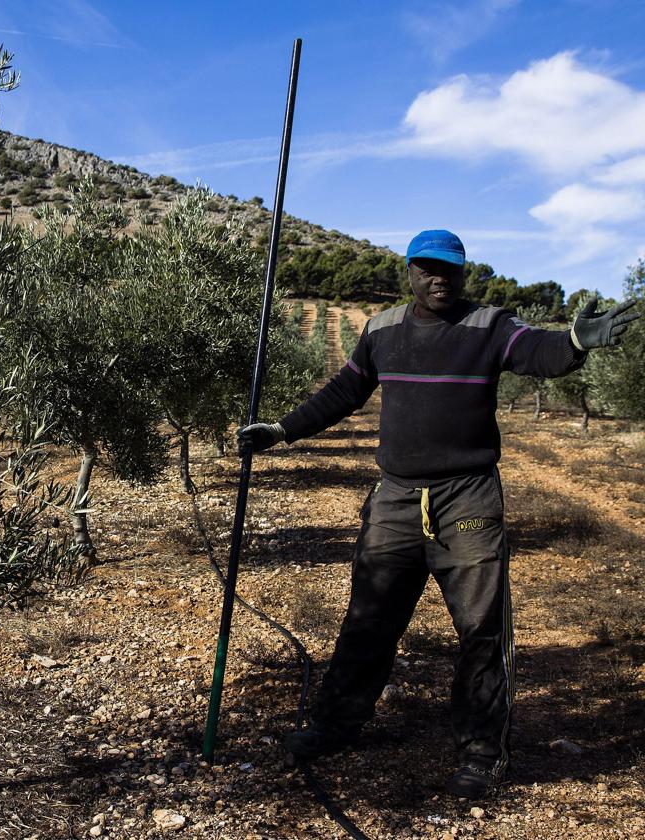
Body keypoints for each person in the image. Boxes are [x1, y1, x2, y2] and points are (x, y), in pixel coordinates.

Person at [238, 229, 639, 798]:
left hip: (468, 496)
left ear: (463, 273)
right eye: (427, 268)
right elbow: (343, 393)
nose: (438, 278)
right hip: (396, 497)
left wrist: (575, 339)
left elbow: (541, 353)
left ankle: (481, 752)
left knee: (480, 629)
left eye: (449, 269)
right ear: (409, 271)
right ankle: (336, 726)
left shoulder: (489, 326)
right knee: (369, 620)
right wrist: (282, 431)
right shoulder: (382, 330)